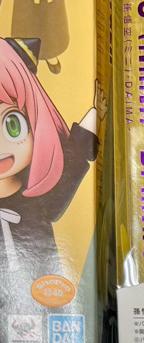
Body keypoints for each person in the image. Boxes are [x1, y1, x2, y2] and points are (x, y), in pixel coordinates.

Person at [0, 38, 100, 303]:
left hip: (43, 299)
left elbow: (73, 162)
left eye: (12, 125)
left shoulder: (38, 200)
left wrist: (95, 117)